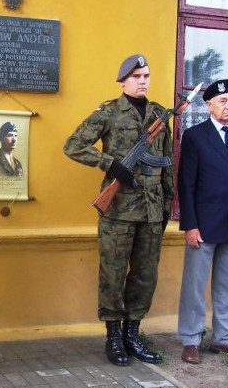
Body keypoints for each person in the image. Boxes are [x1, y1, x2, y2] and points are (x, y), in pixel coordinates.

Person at [63, 54, 174, 367]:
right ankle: (113, 336)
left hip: (152, 211)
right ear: (123, 80)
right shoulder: (109, 112)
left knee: (145, 275)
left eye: (146, 76)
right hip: (118, 210)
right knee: (113, 273)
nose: (143, 81)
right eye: (137, 76)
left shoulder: (159, 114)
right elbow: (73, 145)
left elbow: (168, 162)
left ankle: (133, 334)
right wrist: (108, 163)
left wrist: (168, 202)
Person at [178, 79, 228, 364]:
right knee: (195, 287)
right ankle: (191, 340)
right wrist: (190, 225)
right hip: (204, 224)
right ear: (209, 104)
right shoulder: (196, 137)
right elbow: (186, 184)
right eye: (223, 101)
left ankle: (223, 339)